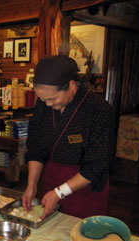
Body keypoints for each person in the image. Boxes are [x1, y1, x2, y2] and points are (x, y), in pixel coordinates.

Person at [22, 55, 114, 219]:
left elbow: (96, 164)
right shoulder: (44, 104)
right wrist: (32, 184)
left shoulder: (98, 109)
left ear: (71, 86)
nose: (48, 104)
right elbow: (36, 148)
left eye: (52, 99)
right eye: (43, 99)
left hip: (84, 187)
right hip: (51, 180)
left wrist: (60, 192)